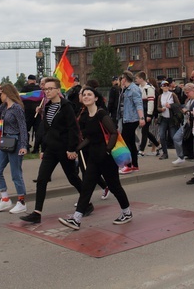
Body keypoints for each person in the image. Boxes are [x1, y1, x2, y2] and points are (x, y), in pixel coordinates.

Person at [58, 87, 133, 230]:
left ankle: (127, 212)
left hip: (106, 158)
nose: (86, 97)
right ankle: (76, 219)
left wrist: (107, 151)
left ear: (96, 98)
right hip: (93, 157)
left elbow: (113, 133)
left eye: (89, 94)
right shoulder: (85, 116)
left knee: (114, 186)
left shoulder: (101, 114)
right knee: (86, 187)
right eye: (84, 95)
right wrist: (76, 149)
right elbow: (89, 138)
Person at [20, 77, 86, 224]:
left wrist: (71, 149)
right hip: (50, 149)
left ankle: (86, 202)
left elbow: (73, 129)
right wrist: (43, 148)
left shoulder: (66, 106)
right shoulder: (47, 106)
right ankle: (37, 213)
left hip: (64, 150)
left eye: (50, 89)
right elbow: (46, 129)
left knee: (73, 178)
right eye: (45, 89)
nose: (47, 91)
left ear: (58, 90)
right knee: (42, 179)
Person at [0, 84, 29, 214]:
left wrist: (23, 145)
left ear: (8, 93)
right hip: (5, 141)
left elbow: (23, 127)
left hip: (15, 141)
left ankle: (21, 202)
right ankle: (5, 199)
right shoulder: (5, 107)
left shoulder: (17, 108)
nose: (0, 96)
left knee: (16, 173)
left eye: (1, 94)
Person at [118, 71, 145, 174]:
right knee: (131, 142)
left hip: (131, 119)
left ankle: (128, 165)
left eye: (122, 79)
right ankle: (134, 165)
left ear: (124, 79)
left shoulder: (133, 89)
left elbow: (138, 104)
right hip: (127, 118)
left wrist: (141, 118)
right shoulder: (126, 89)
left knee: (126, 142)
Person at [135, 71, 159, 157]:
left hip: (147, 111)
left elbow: (151, 102)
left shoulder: (149, 88)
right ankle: (157, 144)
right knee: (145, 130)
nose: (136, 80)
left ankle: (141, 150)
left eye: (137, 78)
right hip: (142, 110)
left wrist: (149, 114)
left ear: (141, 79)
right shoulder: (139, 87)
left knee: (144, 130)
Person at [156, 80, 181, 161]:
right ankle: (165, 153)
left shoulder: (172, 95)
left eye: (167, 85)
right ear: (161, 87)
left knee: (174, 136)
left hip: (172, 118)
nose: (166, 87)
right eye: (164, 85)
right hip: (163, 118)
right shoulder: (160, 96)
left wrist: (170, 106)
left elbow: (178, 105)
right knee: (162, 135)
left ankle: (180, 154)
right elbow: (158, 107)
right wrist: (161, 109)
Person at [20, 74, 40, 149]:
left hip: (27, 112)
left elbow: (21, 98)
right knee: (37, 130)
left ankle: (26, 146)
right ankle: (36, 148)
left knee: (25, 129)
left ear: (28, 80)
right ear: (35, 81)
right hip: (37, 111)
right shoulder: (39, 89)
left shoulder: (25, 88)